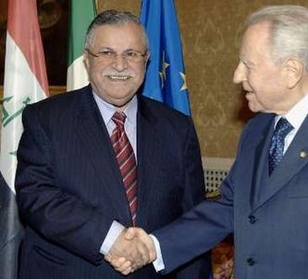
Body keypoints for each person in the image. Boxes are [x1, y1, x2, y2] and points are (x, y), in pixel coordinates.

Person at [109, 5, 308, 279]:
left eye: (247, 65)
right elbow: (229, 207)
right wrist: (153, 246)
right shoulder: (257, 129)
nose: (237, 76)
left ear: (292, 71)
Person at [15, 10, 211, 279]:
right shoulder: (45, 119)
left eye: (131, 54)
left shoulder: (177, 128)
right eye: (106, 52)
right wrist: (111, 238)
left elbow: (192, 222)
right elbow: (36, 196)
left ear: (146, 60)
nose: (120, 65)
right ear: (87, 59)